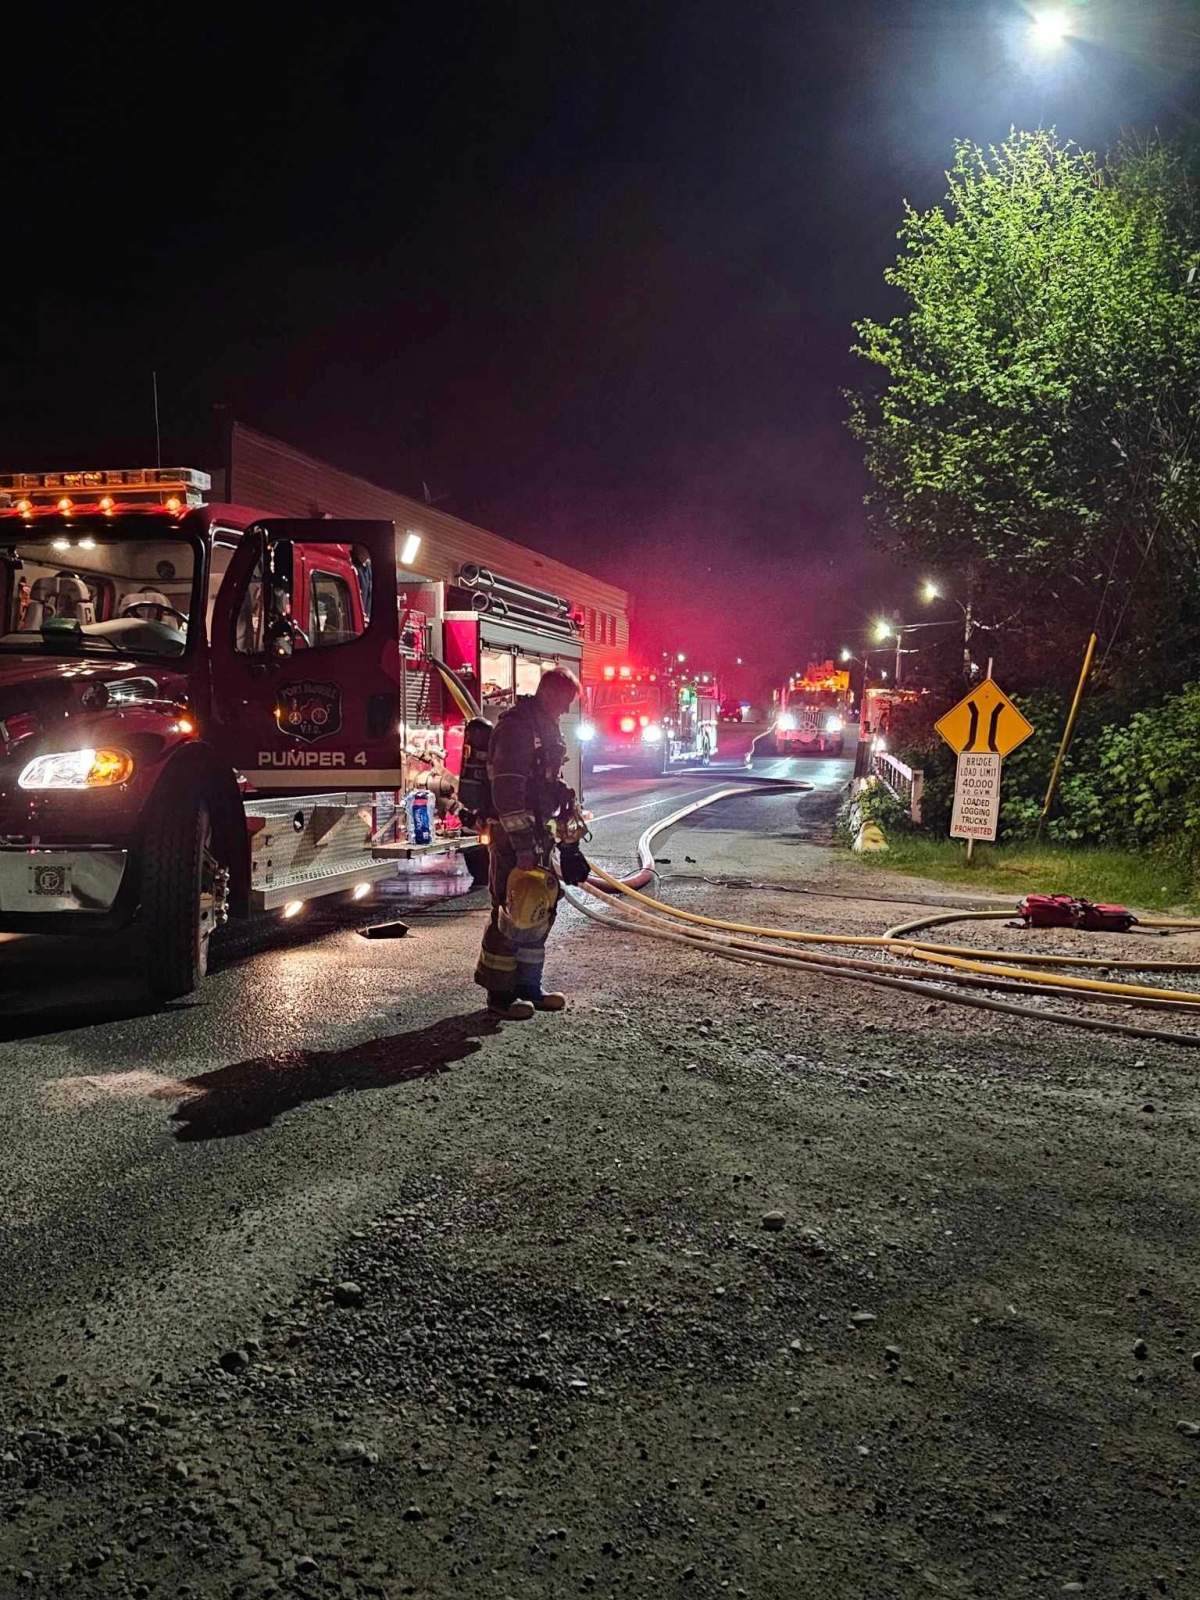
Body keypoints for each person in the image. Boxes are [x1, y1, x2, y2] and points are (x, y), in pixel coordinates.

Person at [474, 666, 590, 1019]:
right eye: (565, 700)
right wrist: (522, 845)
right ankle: (500, 996)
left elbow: (542, 779)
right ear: (549, 692)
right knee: (513, 910)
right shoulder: (517, 728)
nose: (567, 708)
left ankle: (529, 988)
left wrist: (562, 796)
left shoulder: (543, 725)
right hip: (514, 837)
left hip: (538, 833)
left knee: (538, 909)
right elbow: (507, 789)